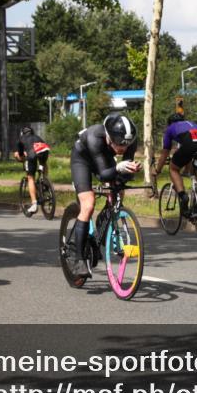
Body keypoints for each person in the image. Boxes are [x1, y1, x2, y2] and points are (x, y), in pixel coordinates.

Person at [68, 113, 142, 278]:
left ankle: (104, 224)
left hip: (104, 158)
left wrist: (131, 169)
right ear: (109, 137)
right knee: (88, 204)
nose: (123, 148)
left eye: (126, 145)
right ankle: (79, 260)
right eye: (119, 145)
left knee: (118, 192)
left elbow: (122, 174)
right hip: (83, 159)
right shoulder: (95, 136)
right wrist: (118, 168)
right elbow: (103, 174)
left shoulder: (129, 139)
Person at [153, 113, 197, 219]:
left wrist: (157, 170)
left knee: (173, 169)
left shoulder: (170, 128)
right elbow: (189, 154)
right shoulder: (192, 124)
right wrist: (187, 168)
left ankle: (183, 197)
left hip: (190, 143)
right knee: (196, 175)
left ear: (169, 123)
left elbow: (165, 153)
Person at [14, 126, 51, 215]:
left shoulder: (21, 139)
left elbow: (21, 154)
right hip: (44, 150)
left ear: (22, 133)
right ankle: (44, 180)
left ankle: (34, 204)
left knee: (30, 177)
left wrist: (18, 157)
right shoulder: (37, 137)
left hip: (31, 154)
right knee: (43, 163)